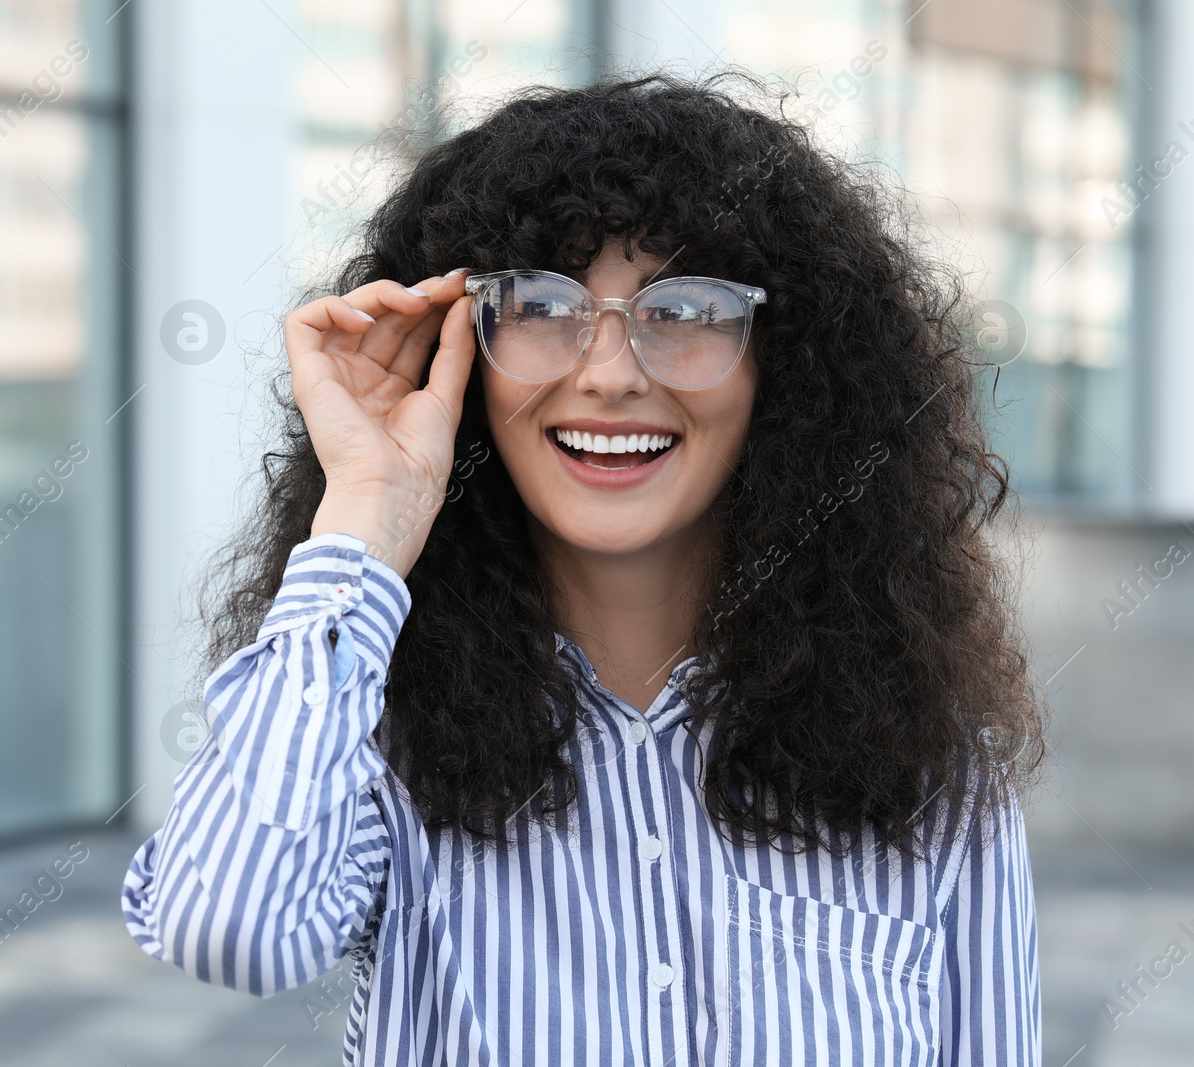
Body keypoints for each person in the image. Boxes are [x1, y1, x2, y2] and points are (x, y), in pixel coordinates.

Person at [122, 70, 1044, 1066]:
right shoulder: (379, 742)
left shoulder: (930, 769)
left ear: (787, 369)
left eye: (685, 309)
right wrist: (364, 520)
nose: (607, 372)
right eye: (539, 303)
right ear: (459, 346)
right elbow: (225, 926)